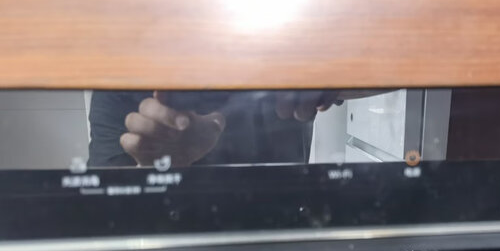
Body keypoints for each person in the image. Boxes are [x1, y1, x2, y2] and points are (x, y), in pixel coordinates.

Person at [87, 90, 346, 167]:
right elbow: (103, 210)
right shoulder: (123, 76)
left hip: (288, 232)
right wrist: (154, 169)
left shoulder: (278, 39)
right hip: (174, 248)